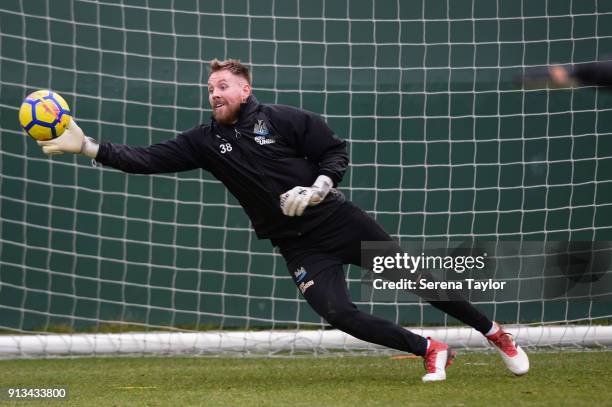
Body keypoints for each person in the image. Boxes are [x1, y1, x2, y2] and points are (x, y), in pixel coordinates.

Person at [37, 59, 529, 382]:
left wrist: (318, 187)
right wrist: (87, 146)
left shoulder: (287, 119)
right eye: (210, 88)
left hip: (338, 221)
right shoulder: (204, 142)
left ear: (245, 88)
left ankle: (493, 333)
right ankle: (430, 348)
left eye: (223, 86)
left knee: (417, 278)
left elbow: (334, 153)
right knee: (338, 313)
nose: (214, 93)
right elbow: (145, 158)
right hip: (298, 246)